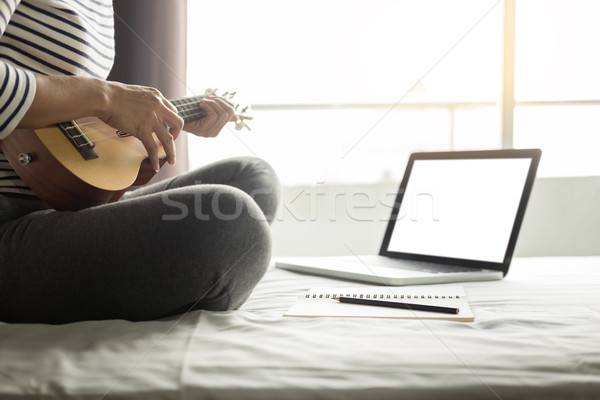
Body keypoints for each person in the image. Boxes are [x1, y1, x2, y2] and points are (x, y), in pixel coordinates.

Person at [0, 0, 279, 324]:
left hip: (61, 203)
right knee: (234, 223)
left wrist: (158, 118)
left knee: (254, 179)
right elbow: (95, 98)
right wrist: (108, 97)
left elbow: (68, 121)